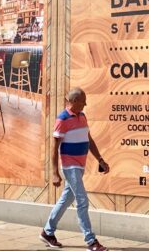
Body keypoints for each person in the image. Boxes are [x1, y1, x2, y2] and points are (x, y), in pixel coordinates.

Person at [39, 87, 109, 251]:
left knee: (66, 199)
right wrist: (55, 173)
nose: (86, 104)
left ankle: (47, 232)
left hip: (80, 165)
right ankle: (91, 241)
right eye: (83, 101)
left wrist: (100, 159)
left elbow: (89, 140)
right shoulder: (62, 119)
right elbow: (54, 147)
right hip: (70, 166)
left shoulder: (82, 116)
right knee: (82, 200)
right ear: (75, 101)